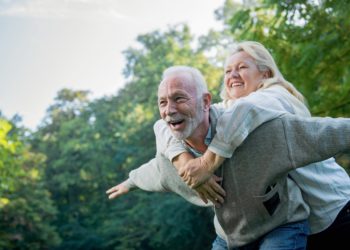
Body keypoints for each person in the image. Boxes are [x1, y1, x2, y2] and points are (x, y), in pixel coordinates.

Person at [106, 65, 350, 250]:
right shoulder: (173, 160)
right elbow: (152, 172)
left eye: (179, 98)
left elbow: (323, 133)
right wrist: (129, 181)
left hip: (282, 226)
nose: (169, 110)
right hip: (230, 237)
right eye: (163, 102)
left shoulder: (260, 133)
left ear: (205, 101)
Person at [166, 42, 350, 250]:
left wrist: (205, 165)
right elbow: (167, 125)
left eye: (242, 67)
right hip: (303, 224)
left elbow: (246, 110)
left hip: (335, 209)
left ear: (265, 73)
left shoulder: (276, 96)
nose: (233, 75)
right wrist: (184, 162)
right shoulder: (229, 110)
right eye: (228, 70)